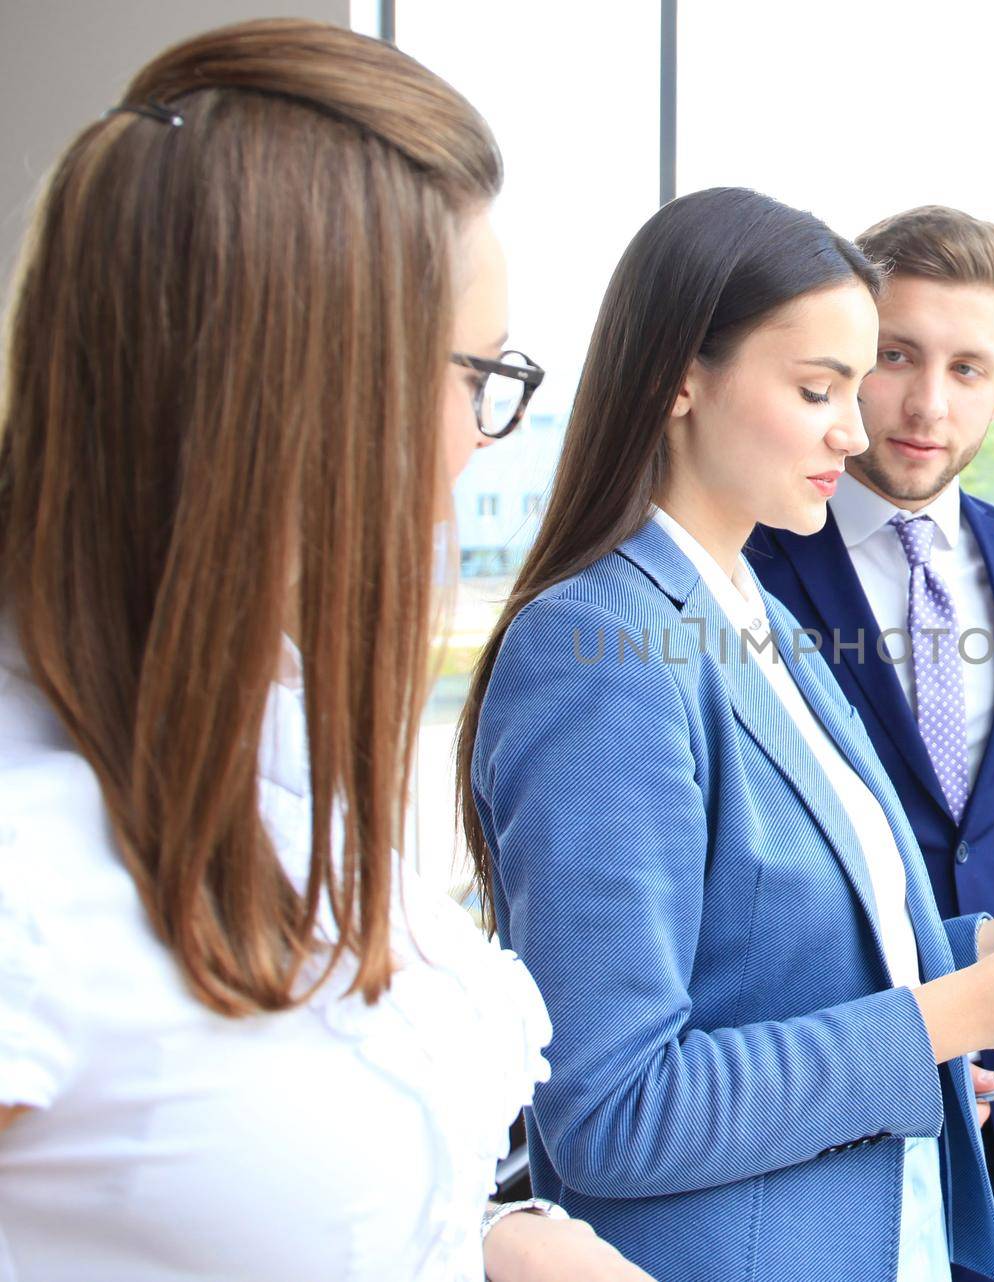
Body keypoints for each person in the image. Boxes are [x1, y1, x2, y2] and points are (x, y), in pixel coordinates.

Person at [457, 187, 994, 1282]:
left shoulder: (753, 618)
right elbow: (613, 1111)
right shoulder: (597, 650)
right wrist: (960, 1012)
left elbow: (779, 965)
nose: (860, 430)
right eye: (820, 389)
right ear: (680, 376)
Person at [0, 20, 646, 1281]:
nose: (484, 434)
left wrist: (511, 1249)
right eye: (481, 374)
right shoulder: (27, 864)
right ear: (312, 378)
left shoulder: (259, 737)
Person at [749, 205, 994, 1282]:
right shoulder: (756, 557)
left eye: (967, 368)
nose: (926, 403)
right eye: (899, 357)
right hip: (839, 1064)